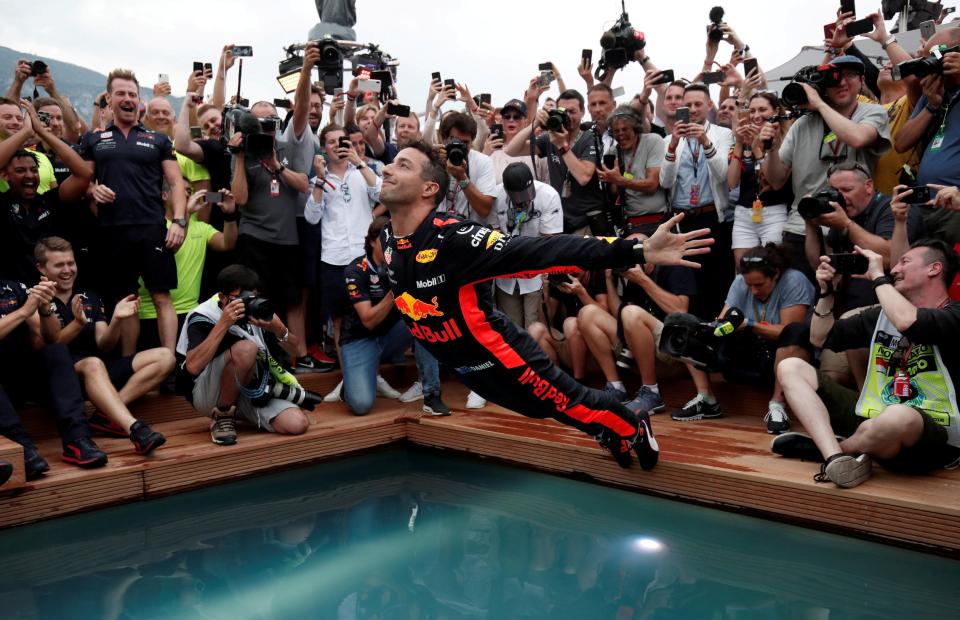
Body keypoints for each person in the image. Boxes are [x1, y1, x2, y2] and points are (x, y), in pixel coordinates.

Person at [378, 141, 714, 470]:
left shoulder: (455, 238)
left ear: (429, 188)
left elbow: (545, 251)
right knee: (546, 411)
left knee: (568, 404)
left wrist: (635, 251)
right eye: (393, 163)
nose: (389, 168)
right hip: (470, 370)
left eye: (403, 165)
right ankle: (603, 428)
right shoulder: (388, 240)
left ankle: (633, 426)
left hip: (505, 358)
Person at [776, 241, 960, 488]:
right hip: (875, 415)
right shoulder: (882, 316)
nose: (894, 269)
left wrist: (877, 277)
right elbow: (820, 338)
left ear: (934, 268)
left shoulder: (955, 314)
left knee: (897, 416)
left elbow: (912, 323)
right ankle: (837, 458)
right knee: (791, 367)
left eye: (904, 262)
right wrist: (826, 292)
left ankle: (836, 448)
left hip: (934, 436)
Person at [77, 69, 187, 355]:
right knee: (126, 299)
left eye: (132, 95)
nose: (127, 99)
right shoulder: (94, 140)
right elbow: (83, 180)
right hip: (112, 231)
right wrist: (92, 190)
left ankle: (170, 362)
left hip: (151, 228)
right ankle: (128, 362)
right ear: (109, 100)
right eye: (121, 94)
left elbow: (176, 183)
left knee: (161, 296)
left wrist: (179, 222)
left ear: (140, 102)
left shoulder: (158, 140)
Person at [35, 237, 171, 455]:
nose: (68, 270)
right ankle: (135, 428)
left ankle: (106, 414)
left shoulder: (89, 296)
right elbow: (50, 343)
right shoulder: (36, 298)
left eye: (71, 263)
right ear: (41, 268)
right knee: (92, 363)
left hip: (97, 374)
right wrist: (78, 324)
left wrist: (117, 318)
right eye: (59, 265)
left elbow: (104, 344)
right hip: (59, 379)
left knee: (165, 357)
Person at [760, 55, 891, 278]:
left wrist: (819, 104)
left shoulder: (872, 113)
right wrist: (770, 150)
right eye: (833, 78)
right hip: (801, 226)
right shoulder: (803, 123)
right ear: (823, 86)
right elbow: (776, 179)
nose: (841, 83)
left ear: (861, 81)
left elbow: (858, 138)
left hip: (851, 227)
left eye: (849, 75)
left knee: (845, 304)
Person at [672, 244, 815, 434]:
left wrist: (749, 324)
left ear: (776, 274)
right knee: (684, 323)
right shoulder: (741, 281)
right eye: (749, 285)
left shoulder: (794, 280)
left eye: (759, 285)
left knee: (795, 332)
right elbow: (723, 321)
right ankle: (707, 399)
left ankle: (777, 406)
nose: (753, 291)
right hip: (747, 356)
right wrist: (708, 330)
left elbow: (789, 331)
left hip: (781, 360)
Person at [177, 265, 311, 446]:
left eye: (251, 298)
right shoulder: (202, 315)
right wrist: (224, 323)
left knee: (297, 423)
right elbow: (192, 366)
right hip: (207, 391)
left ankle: (240, 412)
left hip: (249, 386)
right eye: (239, 299)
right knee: (246, 349)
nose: (246, 303)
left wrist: (279, 329)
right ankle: (223, 415)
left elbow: (295, 351)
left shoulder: (255, 310)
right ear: (223, 297)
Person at [330, 217, 450, 416]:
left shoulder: (402, 262)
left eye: (394, 240)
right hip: (360, 339)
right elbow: (368, 320)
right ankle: (351, 385)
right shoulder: (355, 270)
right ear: (371, 241)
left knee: (425, 316)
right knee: (360, 405)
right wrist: (396, 288)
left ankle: (431, 393)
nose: (391, 245)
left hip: (392, 336)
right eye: (386, 240)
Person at [0, 277, 107, 478]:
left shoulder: (13, 288)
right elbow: (23, 313)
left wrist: (44, 308)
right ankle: (23, 448)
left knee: (56, 349)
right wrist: (23, 311)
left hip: (22, 382)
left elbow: (51, 338)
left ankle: (77, 441)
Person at [579, 232, 697, 414]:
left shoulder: (672, 266)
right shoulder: (633, 274)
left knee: (632, 313)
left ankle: (651, 391)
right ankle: (616, 387)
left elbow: (681, 311)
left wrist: (643, 280)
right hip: (640, 347)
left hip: (672, 349)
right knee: (587, 313)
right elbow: (621, 316)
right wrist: (609, 279)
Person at [660, 83, 735, 318]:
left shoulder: (722, 134)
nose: (692, 109)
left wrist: (705, 141)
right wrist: (672, 145)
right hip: (683, 219)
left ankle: (714, 330)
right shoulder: (669, 139)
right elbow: (665, 181)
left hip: (712, 216)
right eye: (687, 105)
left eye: (697, 104)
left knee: (716, 278)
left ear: (709, 105)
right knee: (689, 282)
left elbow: (723, 174)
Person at [493, 163, 563, 329]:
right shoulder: (495, 196)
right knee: (511, 328)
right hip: (506, 274)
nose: (526, 199)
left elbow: (550, 242)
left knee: (534, 328)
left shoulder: (548, 195)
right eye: (520, 196)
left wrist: (547, 280)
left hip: (536, 274)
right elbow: (493, 233)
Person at [727, 92, 794, 266]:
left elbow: (775, 182)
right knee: (742, 270)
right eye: (752, 110)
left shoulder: (785, 140)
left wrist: (758, 149)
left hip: (774, 211)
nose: (756, 115)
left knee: (772, 267)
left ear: (775, 111)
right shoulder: (744, 139)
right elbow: (731, 183)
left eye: (763, 109)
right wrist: (740, 143)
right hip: (743, 214)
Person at [597, 105, 667, 236]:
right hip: (630, 223)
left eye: (625, 129)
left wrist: (620, 180)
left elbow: (652, 185)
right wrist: (612, 179)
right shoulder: (613, 152)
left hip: (658, 221)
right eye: (616, 131)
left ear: (636, 129)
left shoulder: (652, 141)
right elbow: (615, 191)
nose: (620, 134)